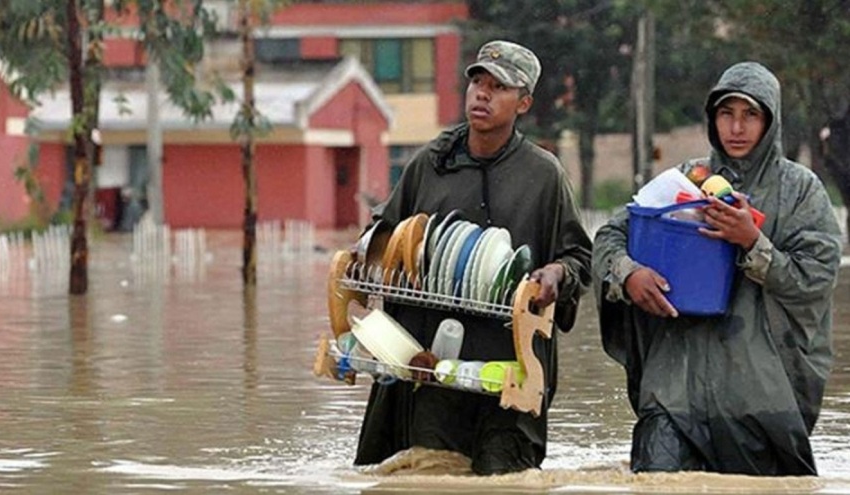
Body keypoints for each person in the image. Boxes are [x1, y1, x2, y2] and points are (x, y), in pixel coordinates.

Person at [352, 40, 593, 475]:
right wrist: (369, 252)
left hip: (509, 368)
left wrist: (556, 273)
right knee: (428, 471)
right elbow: (381, 238)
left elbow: (578, 257)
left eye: (498, 87)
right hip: (430, 369)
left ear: (523, 103)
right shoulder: (430, 163)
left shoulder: (543, 176)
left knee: (504, 475)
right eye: (478, 82)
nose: (482, 94)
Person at [592, 61, 843, 475]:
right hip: (673, 394)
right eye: (726, 113)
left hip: (758, 403)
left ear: (771, 121)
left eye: (750, 114)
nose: (737, 127)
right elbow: (610, 236)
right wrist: (628, 273)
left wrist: (752, 242)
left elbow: (815, 278)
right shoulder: (688, 180)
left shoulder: (800, 191)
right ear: (713, 119)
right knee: (657, 482)